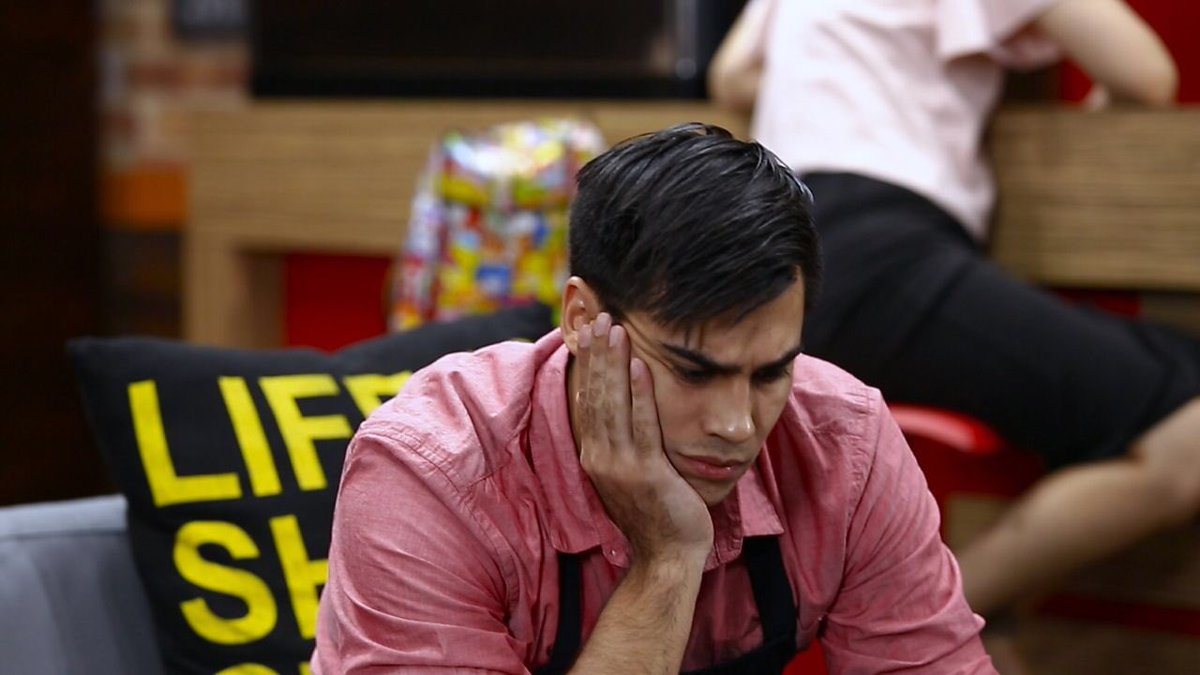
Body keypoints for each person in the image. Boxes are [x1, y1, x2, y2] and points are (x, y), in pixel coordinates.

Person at [311, 124, 996, 673]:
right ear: (581, 319)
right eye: (693, 373)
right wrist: (668, 560)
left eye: (770, 374)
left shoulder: (844, 442)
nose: (736, 425)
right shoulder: (431, 473)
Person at [709, 0, 1200, 640]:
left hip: (776, 252)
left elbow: (732, 76)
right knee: (1188, 431)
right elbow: (1145, 74)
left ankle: (960, 629)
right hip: (880, 251)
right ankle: (916, 635)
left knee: (1176, 366)